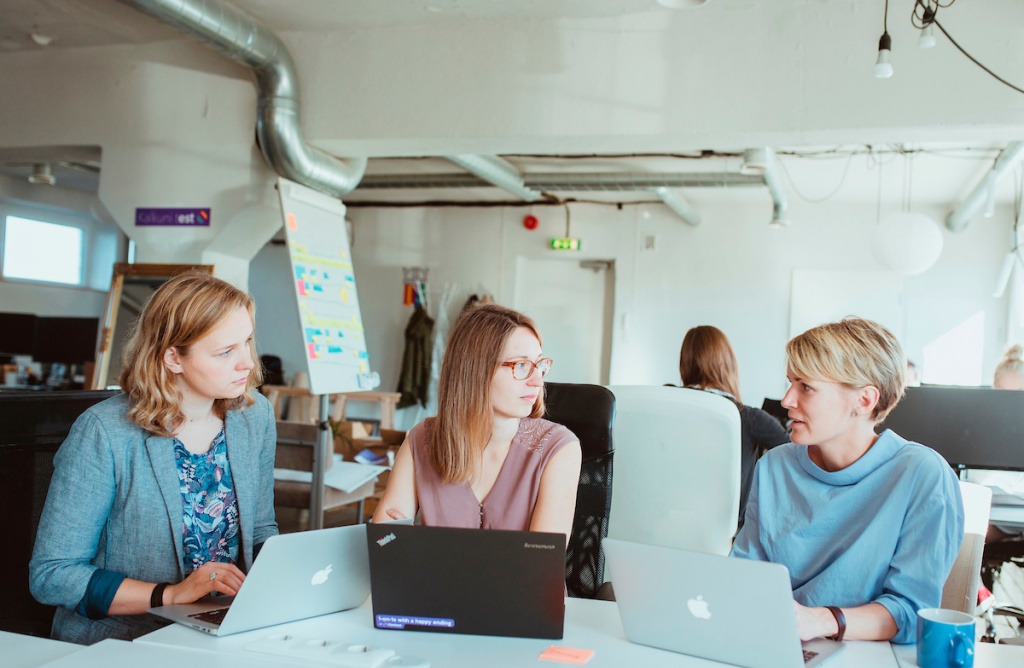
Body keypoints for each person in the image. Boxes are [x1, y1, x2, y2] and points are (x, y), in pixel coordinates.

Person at [30, 271, 278, 644]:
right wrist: (169, 595)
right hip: (122, 643)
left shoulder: (253, 415)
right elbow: (52, 576)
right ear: (173, 358)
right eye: (225, 352)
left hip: (220, 633)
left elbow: (259, 531)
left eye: (246, 342)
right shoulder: (104, 432)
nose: (246, 363)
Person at [731, 317, 963, 644]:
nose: (786, 401)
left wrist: (822, 621)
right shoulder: (774, 467)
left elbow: (912, 613)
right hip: (779, 646)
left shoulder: (921, 475)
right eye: (789, 383)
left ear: (864, 400)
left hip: (870, 653)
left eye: (806, 387)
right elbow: (744, 577)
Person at [373, 303, 582, 541]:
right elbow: (386, 543)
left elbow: (538, 566)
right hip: (432, 580)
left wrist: (419, 548)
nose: (537, 381)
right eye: (521, 365)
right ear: (475, 371)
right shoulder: (421, 439)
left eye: (539, 365)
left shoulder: (558, 448)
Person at [677, 325, 788, 530]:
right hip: (727, 536)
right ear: (727, 364)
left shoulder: (665, 406)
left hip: (668, 525)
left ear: (684, 363)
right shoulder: (748, 418)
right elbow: (795, 454)